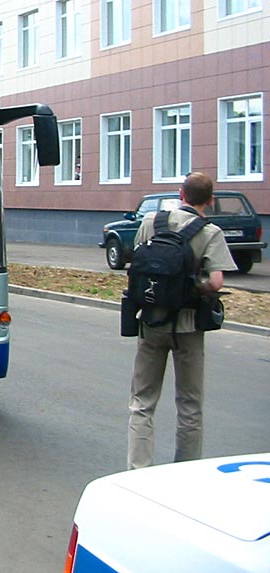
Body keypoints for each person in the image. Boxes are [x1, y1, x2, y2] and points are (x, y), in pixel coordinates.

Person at [127, 172, 236, 470]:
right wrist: (191, 286)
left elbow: (137, 264)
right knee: (189, 404)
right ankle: (184, 471)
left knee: (142, 402)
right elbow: (216, 282)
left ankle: (139, 469)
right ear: (210, 200)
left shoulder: (152, 221)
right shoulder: (210, 231)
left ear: (180, 193)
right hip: (189, 326)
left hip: (150, 321)